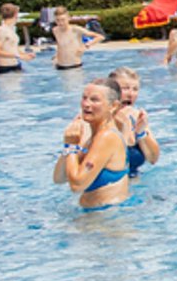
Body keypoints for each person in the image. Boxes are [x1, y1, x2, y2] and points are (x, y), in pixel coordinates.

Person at [54, 81, 131, 209]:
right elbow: (59, 178)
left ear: (113, 106)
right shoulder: (91, 138)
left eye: (94, 100)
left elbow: (77, 185)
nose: (86, 104)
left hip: (108, 219)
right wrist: (70, 145)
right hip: (95, 216)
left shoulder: (107, 137)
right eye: (84, 98)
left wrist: (71, 146)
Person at [107, 67, 160, 177]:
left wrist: (141, 133)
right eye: (125, 88)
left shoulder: (136, 117)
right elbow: (115, 165)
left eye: (135, 89)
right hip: (109, 188)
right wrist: (125, 128)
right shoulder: (102, 119)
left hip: (135, 182)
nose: (131, 94)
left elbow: (153, 159)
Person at [0, 3, 34, 74]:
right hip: (5, 67)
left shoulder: (11, 29)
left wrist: (24, 54)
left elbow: (12, 48)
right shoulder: (2, 30)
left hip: (15, 65)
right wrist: (18, 56)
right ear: (15, 15)